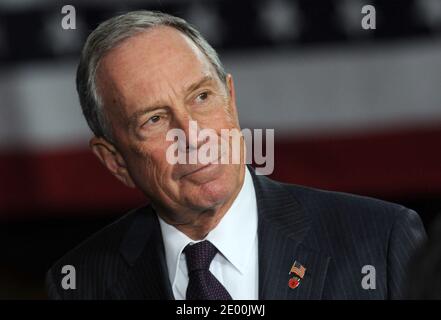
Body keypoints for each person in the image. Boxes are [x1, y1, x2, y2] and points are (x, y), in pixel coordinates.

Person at [46, 10, 426, 300]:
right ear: (114, 160)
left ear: (231, 99)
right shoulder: (79, 282)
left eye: (202, 97)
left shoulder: (381, 242)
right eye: (155, 119)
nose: (193, 136)